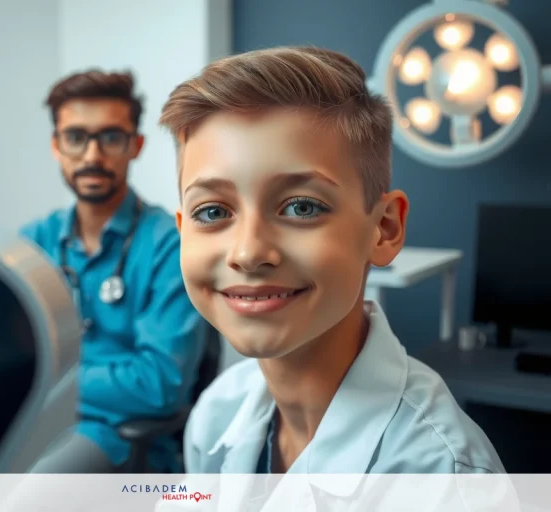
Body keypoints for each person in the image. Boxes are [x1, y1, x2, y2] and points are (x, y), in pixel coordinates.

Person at [158, 46, 505, 482]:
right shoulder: (216, 411)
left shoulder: (442, 476)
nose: (247, 253)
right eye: (212, 212)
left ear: (384, 229)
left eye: (301, 207)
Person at [19, 70, 207, 473]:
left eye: (110, 137)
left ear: (135, 145)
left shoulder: (169, 245)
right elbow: (2, 358)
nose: (92, 156)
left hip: (121, 446)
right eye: (76, 137)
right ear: (56, 146)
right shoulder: (30, 245)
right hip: (31, 428)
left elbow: (159, 386)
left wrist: (42, 384)